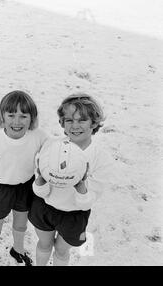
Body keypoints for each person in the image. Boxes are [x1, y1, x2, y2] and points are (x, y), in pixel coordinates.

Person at [29, 93, 114, 266]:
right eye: (69, 120)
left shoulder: (101, 159)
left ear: (94, 123)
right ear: (62, 123)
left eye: (82, 120)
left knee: (61, 251)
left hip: (74, 215)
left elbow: (87, 202)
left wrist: (80, 186)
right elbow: (39, 191)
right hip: (45, 207)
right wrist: (41, 180)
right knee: (44, 246)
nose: (75, 126)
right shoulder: (52, 147)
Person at [0, 91, 48, 266]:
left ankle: (18, 249)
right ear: (2, 117)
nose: (17, 121)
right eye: (11, 115)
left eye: (23, 116)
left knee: (21, 225)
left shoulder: (39, 136)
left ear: (32, 118)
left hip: (25, 187)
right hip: (0, 189)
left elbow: (54, 150)